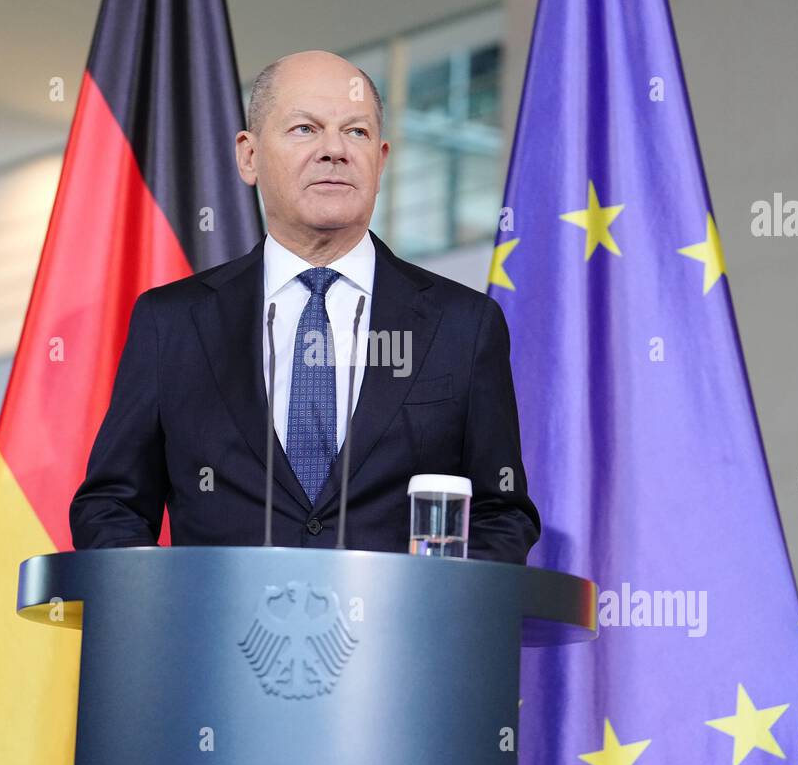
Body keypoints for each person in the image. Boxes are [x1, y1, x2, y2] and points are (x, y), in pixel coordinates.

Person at [69, 50, 539, 563]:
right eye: (305, 129)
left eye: (356, 132)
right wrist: (161, 612)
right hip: (217, 638)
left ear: (381, 161)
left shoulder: (463, 324)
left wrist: (441, 610)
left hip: (399, 637)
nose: (334, 150)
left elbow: (503, 513)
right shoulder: (173, 322)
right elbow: (112, 505)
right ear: (248, 156)